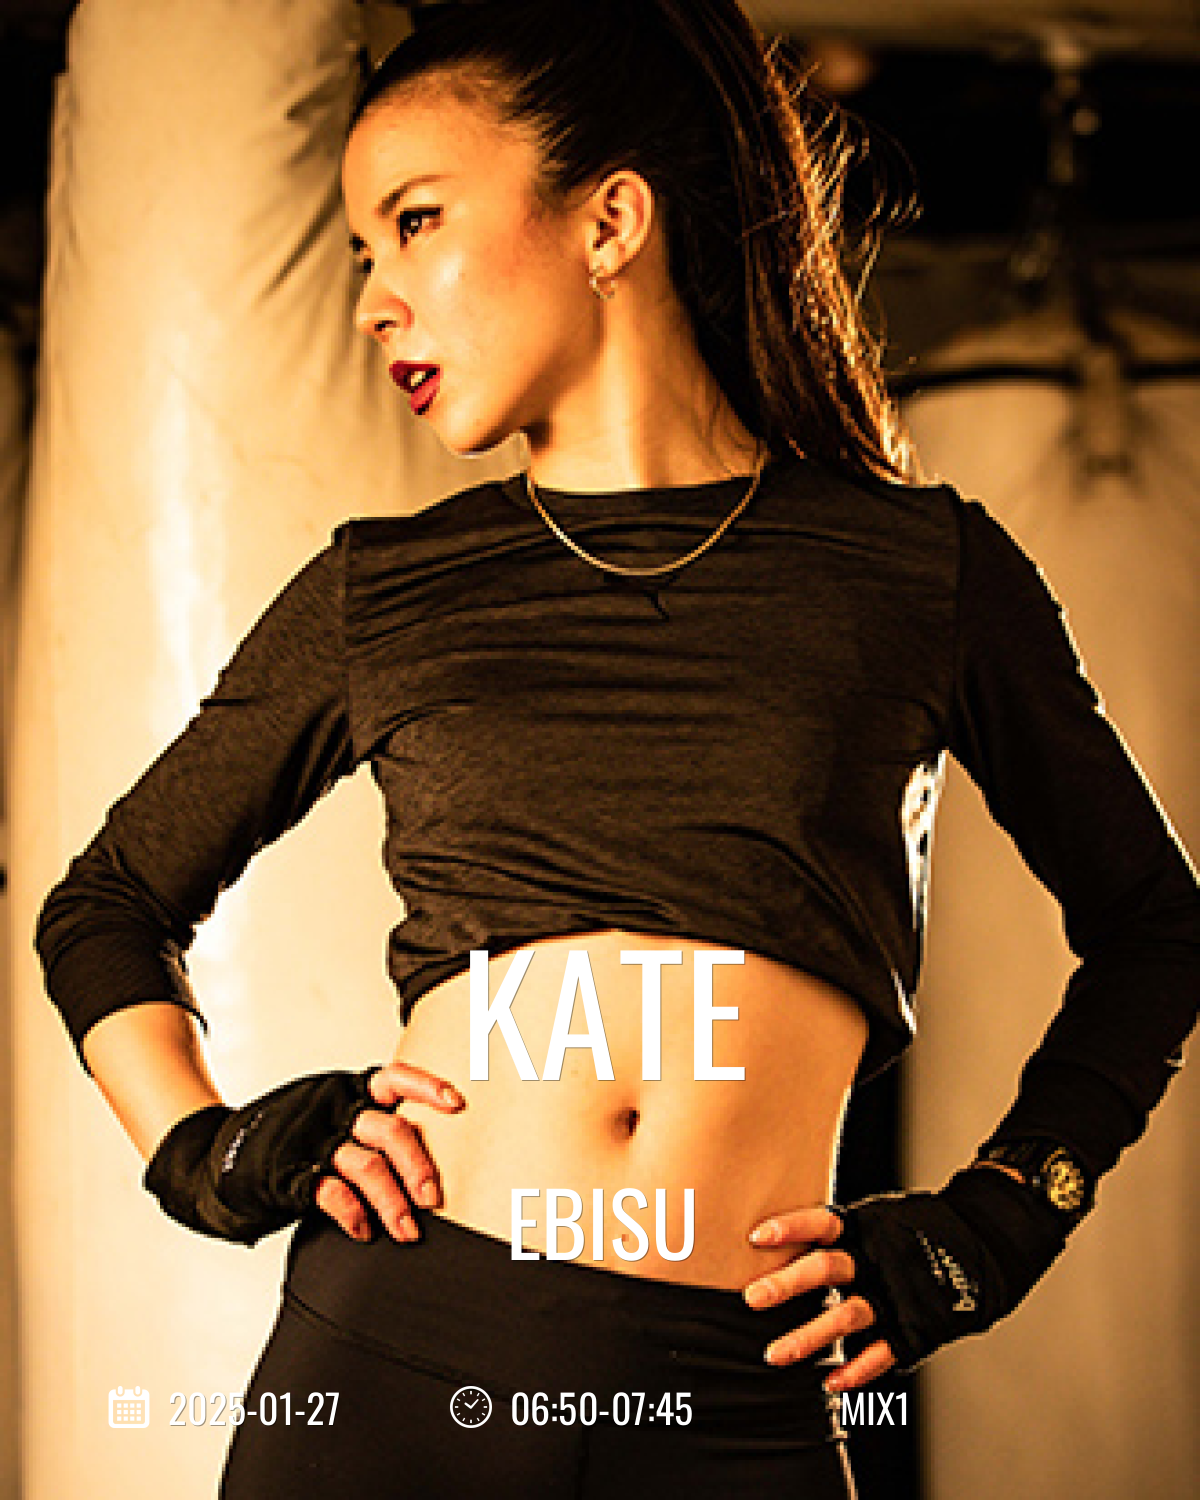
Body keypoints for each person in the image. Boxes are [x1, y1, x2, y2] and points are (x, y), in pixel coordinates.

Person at [35, 2, 1198, 1496]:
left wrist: (1003, 1220)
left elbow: (1156, 928)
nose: (376, 300)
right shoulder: (384, 591)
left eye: (416, 221)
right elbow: (104, 907)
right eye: (362, 253)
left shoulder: (922, 573)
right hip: (400, 1361)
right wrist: (210, 1153)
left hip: (740, 1399)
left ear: (610, 221)